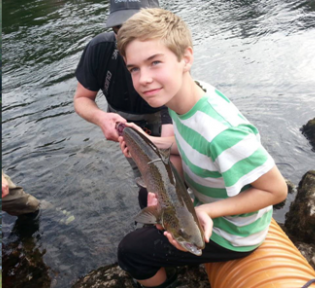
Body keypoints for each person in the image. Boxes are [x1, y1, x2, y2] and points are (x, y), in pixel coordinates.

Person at [115, 9, 287, 287]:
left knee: (130, 252)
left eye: (155, 62)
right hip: (202, 205)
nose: (143, 78)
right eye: (134, 69)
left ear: (186, 58)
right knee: (144, 195)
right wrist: (147, 142)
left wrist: (206, 213)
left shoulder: (223, 134)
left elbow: (277, 190)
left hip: (232, 234)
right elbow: (191, 146)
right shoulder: (190, 96)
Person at [73, 0, 177, 209]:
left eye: (137, 28)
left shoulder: (169, 52)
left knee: (172, 177)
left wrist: (164, 148)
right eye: (119, 29)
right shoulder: (99, 49)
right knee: (146, 183)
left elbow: (172, 116)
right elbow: (82, 98)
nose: (128, 38)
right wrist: (101, 118)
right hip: (122, 121)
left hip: (163, 115)